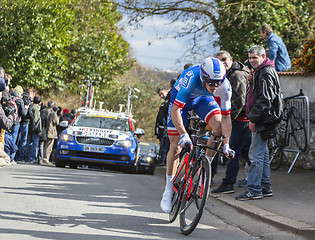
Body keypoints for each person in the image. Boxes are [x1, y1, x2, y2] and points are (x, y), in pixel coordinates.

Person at [160, 57, 234, 213]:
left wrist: (226, 144)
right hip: (181, 102)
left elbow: (227, 117)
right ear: (203, 77)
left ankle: (204, 168)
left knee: (219, 129)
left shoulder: (224, 86)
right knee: (175, 145)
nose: (215, 86)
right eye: (211, 82)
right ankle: (168, 189)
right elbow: (176, 111)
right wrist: (184, 135)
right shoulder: (191, 78)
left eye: (218, 82)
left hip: (203, 100)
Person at [236, 45, 282, 201]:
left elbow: (265, 100)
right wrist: (251, 81)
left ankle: (254, 190)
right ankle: (264, 187)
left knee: (255, 156)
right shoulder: (260, 72)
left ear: (263, 56)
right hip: (263, 118)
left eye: (254, 57)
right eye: (249, 58)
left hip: (262, 119)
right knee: (262, 155)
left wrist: (253, 119)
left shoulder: (265, 72)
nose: (251, 61)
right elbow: (259, 95)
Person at [211, 50, 251, 194]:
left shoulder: (237, 75)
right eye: (219, 61)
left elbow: (238, 101)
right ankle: (260, 182)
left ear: (231, 59)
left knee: (232, 151)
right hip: (241, 119)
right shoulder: (231, 74)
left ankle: (228, 183)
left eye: (224, 59)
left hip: (240, 120)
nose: (222, 62)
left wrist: (226, 121)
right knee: (247, 154)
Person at [155, 88, 171, 165]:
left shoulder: (170, 101)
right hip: (163, 130)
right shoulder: (163, 105)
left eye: (162, 93)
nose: (161, 96)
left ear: (166, 91)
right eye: (159, 95)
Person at [26, 95, 42, 163]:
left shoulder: (31, 106)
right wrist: (39, 130)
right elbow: (37, 121)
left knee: (29, 143)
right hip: (35, 129)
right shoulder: (36, 109)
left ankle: (27, 157)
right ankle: (32, 158)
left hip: (30, 128)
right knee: (35, 144)